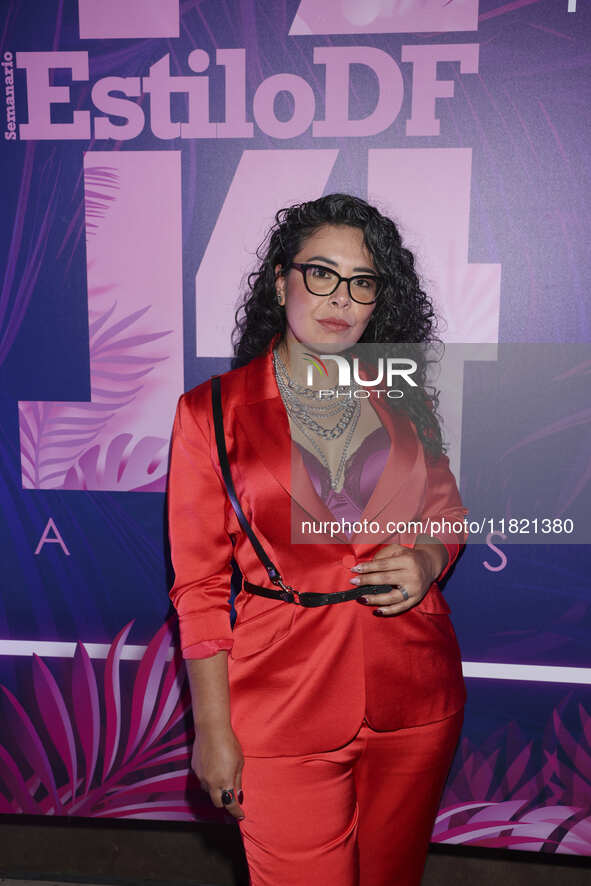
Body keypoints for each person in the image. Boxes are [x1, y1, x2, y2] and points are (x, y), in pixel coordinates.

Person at [167, 193, 468, 886]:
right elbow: (200, 587)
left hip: (414, 695)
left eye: (361, 281)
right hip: (279, 701)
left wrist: (426, 558)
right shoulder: (208, 412)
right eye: (321, 273)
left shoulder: (400, 393)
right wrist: (212, 730)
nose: (340, 297)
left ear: (376, 301)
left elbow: (446, 513)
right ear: (281, 280)